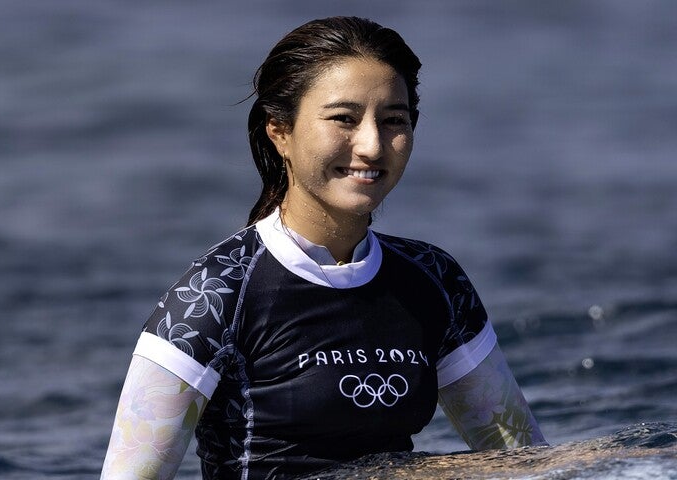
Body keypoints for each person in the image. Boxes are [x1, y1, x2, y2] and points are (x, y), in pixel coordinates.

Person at [101, 16, 546, 480]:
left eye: (394, 120)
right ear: (280, 132)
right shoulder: (214, 294)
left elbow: (527, 463)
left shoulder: (434, 279)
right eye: (343, 119)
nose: (373, 146)